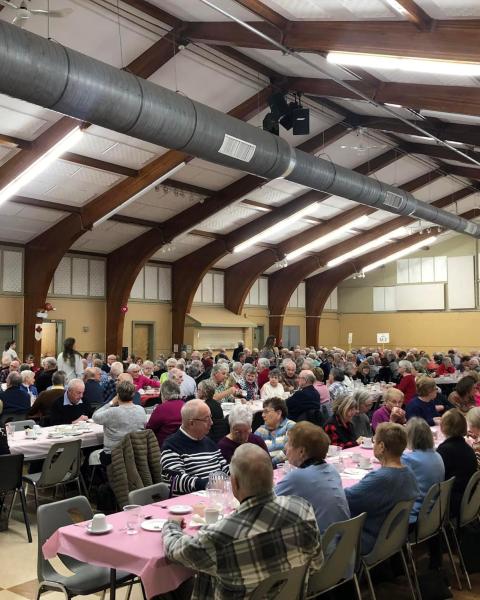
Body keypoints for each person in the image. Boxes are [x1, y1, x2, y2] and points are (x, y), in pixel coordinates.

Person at [162, 443, 323, 600]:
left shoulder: (220, 535)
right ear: (272, 476)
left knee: (166, 588)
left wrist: (171, 524)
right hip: (293, 595)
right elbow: (316, 565)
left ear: (234, 483)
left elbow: (175, 551)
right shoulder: (303, 509)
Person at [346, 422, 419, 554]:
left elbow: (345, 499)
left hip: (370, 539)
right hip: (394, 537)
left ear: (381, 446)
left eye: (375, 441)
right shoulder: (409, 473)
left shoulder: (381, 479)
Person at [275, 422, 350, 533]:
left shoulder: (297, 477)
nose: (285, 447)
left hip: (322, 546)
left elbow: (266, 502)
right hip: (344, 543)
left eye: (289, 443)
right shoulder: (332, 470)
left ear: (301, 451)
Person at [160, 399, 229, 496]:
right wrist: (209, 484)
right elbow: (176, 481)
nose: (211, 423)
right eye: (206, 419)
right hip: (188, 505)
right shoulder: (171, 446)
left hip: (215, 498)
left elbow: (225, 468)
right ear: (191, 423)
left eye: (211, 418)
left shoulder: (209, 443)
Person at [401, 418, 445, 523]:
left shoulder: (408, 459)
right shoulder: (438, 455)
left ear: (409, 437)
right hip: (434, 511)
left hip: (414, 515)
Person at [92, 380, 147, 461]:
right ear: (133, 394)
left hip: (113, 455)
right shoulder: (141, 410)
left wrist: (111, 403)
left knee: (90, 457)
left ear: (117, 395)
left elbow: (95, 417)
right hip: (136, 453)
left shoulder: (113, 412)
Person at [437, 409, 478, 516]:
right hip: (470, 497)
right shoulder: (468, 448)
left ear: (443, 427)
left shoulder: (444, 450)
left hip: (452, 501)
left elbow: (437, 480)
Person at [254, 397, 295, 466]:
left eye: (266, 412)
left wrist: (270, 463)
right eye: (263, 412)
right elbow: (253, 451)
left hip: (284, 468)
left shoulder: (291, 427)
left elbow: (288, 451)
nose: (262, 415)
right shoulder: (260, 430)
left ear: (279, 413)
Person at [146, 380, 184, 448]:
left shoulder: (161, 408)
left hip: (164, 446)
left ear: (163, 394)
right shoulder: (186, 405)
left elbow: (149, 428)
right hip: (183, 445)